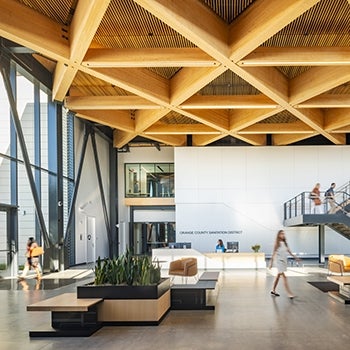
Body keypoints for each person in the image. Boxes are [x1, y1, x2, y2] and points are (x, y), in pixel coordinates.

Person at [269, 230, 300, 299]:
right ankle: (289, 293)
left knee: (278, 276)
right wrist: (271, 264)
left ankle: (273, 290)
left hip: (284, 261)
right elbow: (273, 254)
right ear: (278, 235)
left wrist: (296, 258)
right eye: (281, 234)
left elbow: (290, 252)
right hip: (279, 261)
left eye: (283, 234)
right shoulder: (277, 244)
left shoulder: (285, 244)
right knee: (284, 277)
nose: (283, 235)